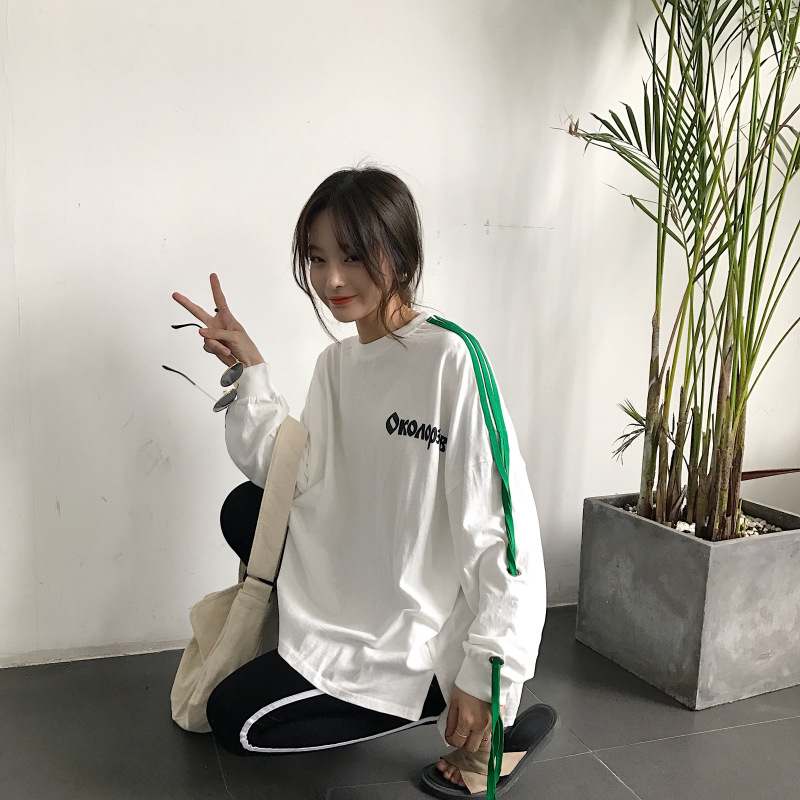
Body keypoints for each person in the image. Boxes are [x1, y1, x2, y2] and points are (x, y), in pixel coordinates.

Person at [172, 166, 552, 796]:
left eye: (352, 256)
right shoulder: (336, 364)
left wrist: (489, 672)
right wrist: (251, 369)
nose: (332, 280)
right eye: (318, 258)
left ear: (400, 253)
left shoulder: (450, 359)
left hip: (415, 626)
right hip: (351, 587)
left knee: (234, 720)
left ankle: (433, 697)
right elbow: (296, 476)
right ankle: (332, 655)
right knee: (245, 508)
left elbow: (502, 529)